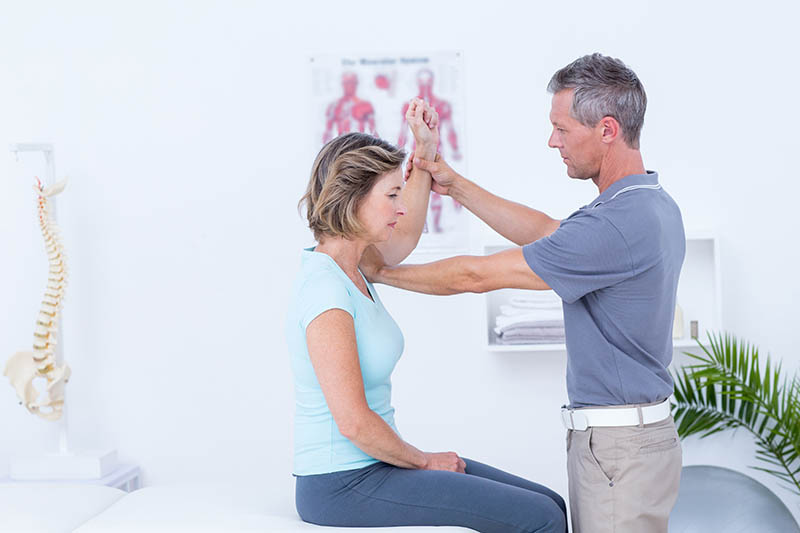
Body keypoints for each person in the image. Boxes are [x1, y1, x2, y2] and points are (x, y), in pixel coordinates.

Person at [361, 54, 684, 533]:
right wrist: (456, 184)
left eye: (562, 128)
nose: (552, 141)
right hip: (626, 443)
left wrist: (381, 273)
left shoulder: (617, 223)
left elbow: (476, 276)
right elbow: (547, 231)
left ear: (608, 130)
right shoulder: (644, 204)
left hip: (619, 450)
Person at [286, 98, 567, 533]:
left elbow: (407, 235)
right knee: (541, 519)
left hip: (371, 467)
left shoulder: (357, 267)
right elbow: (353, 422)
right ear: (353, 198)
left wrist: (425, 150)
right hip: (339, 483)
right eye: (391, 195)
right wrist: (425, 461)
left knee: (551, 503)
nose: (400, 207)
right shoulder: (325, 289)